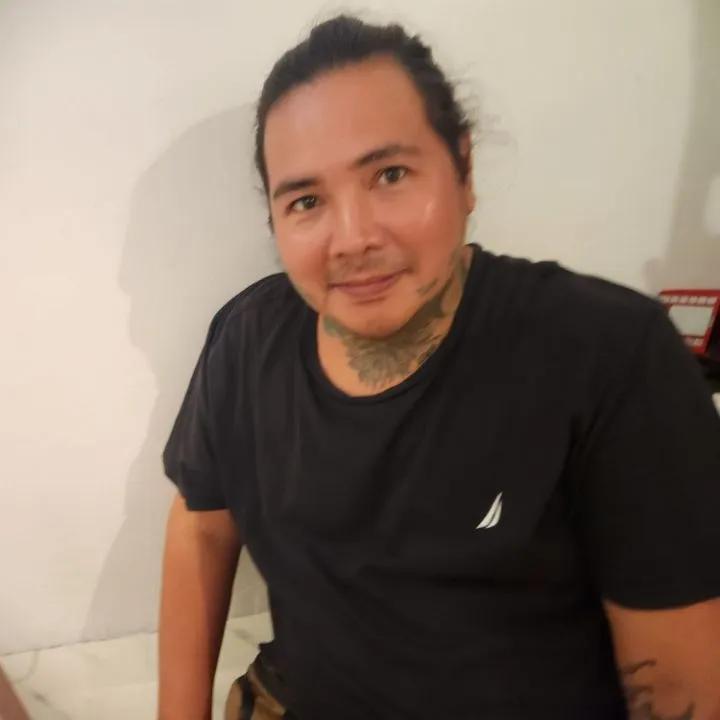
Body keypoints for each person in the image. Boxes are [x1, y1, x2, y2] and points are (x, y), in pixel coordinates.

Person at [158, 15, 720, 720]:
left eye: (390, 175)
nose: (353, 238)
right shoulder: (247, 342)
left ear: (464, 171)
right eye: (306, 201)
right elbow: (201, 524)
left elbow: (680, 686)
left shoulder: (608, 355)